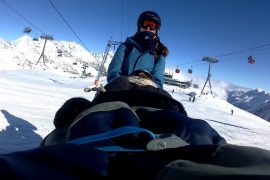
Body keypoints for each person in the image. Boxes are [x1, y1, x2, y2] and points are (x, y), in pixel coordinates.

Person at [107, 11, 168, 89]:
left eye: (152, 25)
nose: (148, 28)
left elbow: (158, 84)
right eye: (145, 24)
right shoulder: (126, 47)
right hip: (120, 92)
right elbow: (113, 72)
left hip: (144, 97)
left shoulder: (159, 55)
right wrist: (122, 86)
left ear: (157, 30)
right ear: (139, 27)